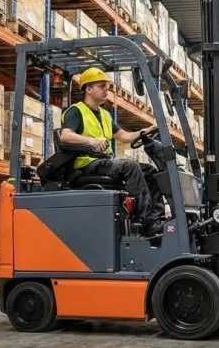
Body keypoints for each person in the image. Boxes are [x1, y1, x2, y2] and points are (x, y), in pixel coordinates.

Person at [59, 67, 163, 235]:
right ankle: (146, 222)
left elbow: (123, 136)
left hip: (103, 162)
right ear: (88, 88)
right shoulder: (76, 110)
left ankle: (156, 218)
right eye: (101, 86)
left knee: (150, 171)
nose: (106, 90)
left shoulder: (105, 115)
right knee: (131, 167)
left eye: (107, 86)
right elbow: (65, 136)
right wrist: (90, 140)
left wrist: (145, 131)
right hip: (86, 163)